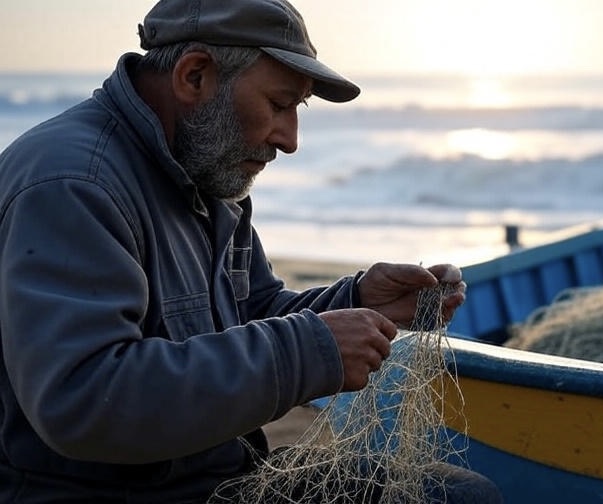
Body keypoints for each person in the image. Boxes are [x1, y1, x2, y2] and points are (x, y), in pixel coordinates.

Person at [0, 0, 503, 502]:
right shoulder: (72, 183)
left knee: (452, 492)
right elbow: (83, 401)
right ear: (195, 76)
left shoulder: (207, 172)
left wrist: (357, 302)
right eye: (279, 105)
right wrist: (308, 351)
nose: (289, 140)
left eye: (296, 110)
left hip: (220, 476)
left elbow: (254, 314)